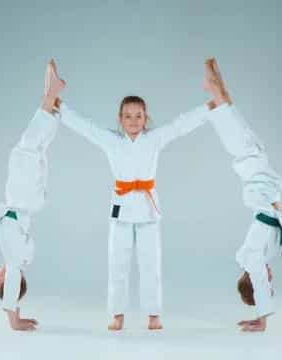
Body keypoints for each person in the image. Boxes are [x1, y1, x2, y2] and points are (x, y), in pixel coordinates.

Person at [54, 60, 222, 330]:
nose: (133, 121)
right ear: (120, 119)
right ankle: (116, 313)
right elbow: (84, 127)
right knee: (117, 263)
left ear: (146, 119)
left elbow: (180, 125)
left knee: (150, 263)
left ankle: (154, 314)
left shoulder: (154, 139)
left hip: (147, 210)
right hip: (120, 209)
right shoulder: (112, 141)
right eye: (128, 116)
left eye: (139, 116)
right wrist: (58, 105)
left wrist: (210, 107)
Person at [204, 58, 282, 332]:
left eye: (267, 284)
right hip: (259, 168)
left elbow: (259, 279)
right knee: (233, 121)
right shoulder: (266, 255)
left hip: (255, 171)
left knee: (230, 121)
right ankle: (219, 93)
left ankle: (216, 92)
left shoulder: (251, 258)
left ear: (257, 281)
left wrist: (262, 318)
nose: (270, 279)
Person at [0, 60, 65, 331]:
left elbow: (15, 281)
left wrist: (17, 303)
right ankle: (50, 95)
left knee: (38, 149)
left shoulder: (17, 256)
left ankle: (53, 99)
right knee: (28, 148)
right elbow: (13, 282)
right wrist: (14, 319)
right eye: (0, 281)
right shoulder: (15, 259)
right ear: (12, 281)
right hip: (22, 199)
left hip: (28, 201)